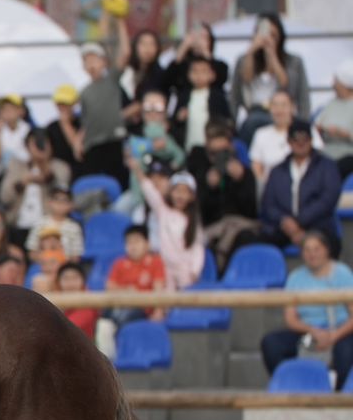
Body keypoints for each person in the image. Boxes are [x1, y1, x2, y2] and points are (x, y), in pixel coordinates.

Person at [259, 231, 353, 391]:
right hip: (308, 333)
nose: (312, 254)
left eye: (316, 249)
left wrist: (333, 336)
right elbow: (291, 319)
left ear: (326, 250)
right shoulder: (295, 278)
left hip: (340, 331)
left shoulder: (343, 273)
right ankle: (292, 384)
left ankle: (338, 395)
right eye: (307, 250)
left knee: (346, 352)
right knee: (271, 343)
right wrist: (313, 331)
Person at [256, 120, 344, 256]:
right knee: (258, 243)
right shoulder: (277, 171)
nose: (300, 143)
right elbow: (268, 204)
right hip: (283, 227)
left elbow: (328, 199)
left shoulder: (327, 166)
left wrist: (299, 222)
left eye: (305, 139)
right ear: (289, 142)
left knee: (330, 243)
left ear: (311, 140)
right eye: (295, 140)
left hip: (318, 224)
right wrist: (285, 221)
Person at [187, 120, 258, 266]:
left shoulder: (245, 173)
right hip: (213, 226)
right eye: (214, 153)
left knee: (243, 238)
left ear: (231, 148)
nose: (219, 158)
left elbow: (251, 210)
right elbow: (200, 212)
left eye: (224, 152)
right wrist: (210, 188)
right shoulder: (201, 173)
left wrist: (240, 181)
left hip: (240, 225)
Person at [232, 13, 310, 144]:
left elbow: (288, 86)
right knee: (253, 122)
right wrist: (251, 51)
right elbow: (244, 81)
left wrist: (272, 54)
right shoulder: (244, 60)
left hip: (282, 112)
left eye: (273, 35)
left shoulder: (294, 62)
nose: (268, 38)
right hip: (254, 111)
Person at [129, 159, 204, 289]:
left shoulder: (193, 221)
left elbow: (197, 247)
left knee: (184, 302)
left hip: (184, 268)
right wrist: (137, 170)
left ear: (192, 196)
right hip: (165, 268)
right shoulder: (163, 211)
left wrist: (195, 270)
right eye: (177, 191)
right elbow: (149, 190)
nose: (180, 196)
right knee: (166, 300)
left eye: (185, 192)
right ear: (170, 192)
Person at [2, 128, 71, 243]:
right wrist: (23, 182)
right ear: (27, 146)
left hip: (49, 229)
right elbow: (5, 197)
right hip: (18, 226)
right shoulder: (17, 166)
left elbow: (61, 193)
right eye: (35, 143)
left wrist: (44, 167)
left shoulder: (60, 167)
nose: (39, 146)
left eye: (43, 142)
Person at [78, 41, 129, 186]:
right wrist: (78, 141)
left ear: (104, 62)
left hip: (114, 140)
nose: (91, 64)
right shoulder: (84, 92)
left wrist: (120, 21)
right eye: (87, 61)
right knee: (94, 182)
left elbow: (125, 54)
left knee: (118, 180)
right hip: (93, 144)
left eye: (95, 59)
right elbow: (85, 121)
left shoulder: (111, 80)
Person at [105, 224, 169, 327]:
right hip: (120, 304)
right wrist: (127, 290)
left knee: (121, 319)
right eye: (129, 242)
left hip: (142, 308)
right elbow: (109, 287)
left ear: (147, 244)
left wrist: (158, 311)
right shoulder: (119, 263)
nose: (133, 246)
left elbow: (159, 288)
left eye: (137, 241)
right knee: (103, 321)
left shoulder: (155, 262)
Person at [171, 55, 230, 156]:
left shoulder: (217, 96)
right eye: (195, 71)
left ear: (212, 75)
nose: (199, 75)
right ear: (188, 74)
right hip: (189, 144)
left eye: (203, 71)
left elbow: (226, 119)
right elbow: (174, 120)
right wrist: (179, 117)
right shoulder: (184, 96)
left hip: (212, 147)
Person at [249, 89, 313, 182]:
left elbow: (317, 160)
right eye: (275, 105)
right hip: (271, 188)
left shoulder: (306, 130)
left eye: (284, 105)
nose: (279, 110)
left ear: (292, 108)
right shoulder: (261, 134)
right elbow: (256, 167)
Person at [313, 59, 353, 174]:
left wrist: (343, 134)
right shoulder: (331, 104)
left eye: (336, 81)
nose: (333, 85)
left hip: (348, 155)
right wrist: (320, 129)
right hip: (326, 152)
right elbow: (317, 125)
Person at [127, 91, 185, 171]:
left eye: (158, 109)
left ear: (165, 112)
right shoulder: (135, 131)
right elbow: (129, 152)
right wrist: (151, 146)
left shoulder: (174, 133)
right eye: (148, 109)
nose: (152, 114)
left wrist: (171, 168)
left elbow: (180, 155)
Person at [25, 187, 85, 260]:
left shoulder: (74, 227)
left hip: (64, 266)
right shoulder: (40, 223)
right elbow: (32, 250)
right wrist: (46, 262)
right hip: (43, 265)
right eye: (56, 199)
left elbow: (76, 255)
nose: (60, 203)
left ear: (71, 205)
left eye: (64, 200)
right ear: (49, 202)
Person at [46, 83, 85, 178]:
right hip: (58, 170)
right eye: (59, 103)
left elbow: (78, 150)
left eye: (66, 103)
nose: (62, 107)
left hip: (79, 169)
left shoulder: (83, 123)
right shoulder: (51, 127)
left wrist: (65, 124)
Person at [53, 262, 99, 339]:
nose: (71, 283)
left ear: (83, 281)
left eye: (75, 278)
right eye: (66, 278)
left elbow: (65, 330)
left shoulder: (87, 305)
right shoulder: (54, 302)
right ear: (58, 282)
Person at [0, 95, 31, 174]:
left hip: (23, 168)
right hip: (2, 170)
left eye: (11, 109)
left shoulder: (26, 128)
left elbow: (28, 157)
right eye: (4, 109)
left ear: (20, 111)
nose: (7, 112)